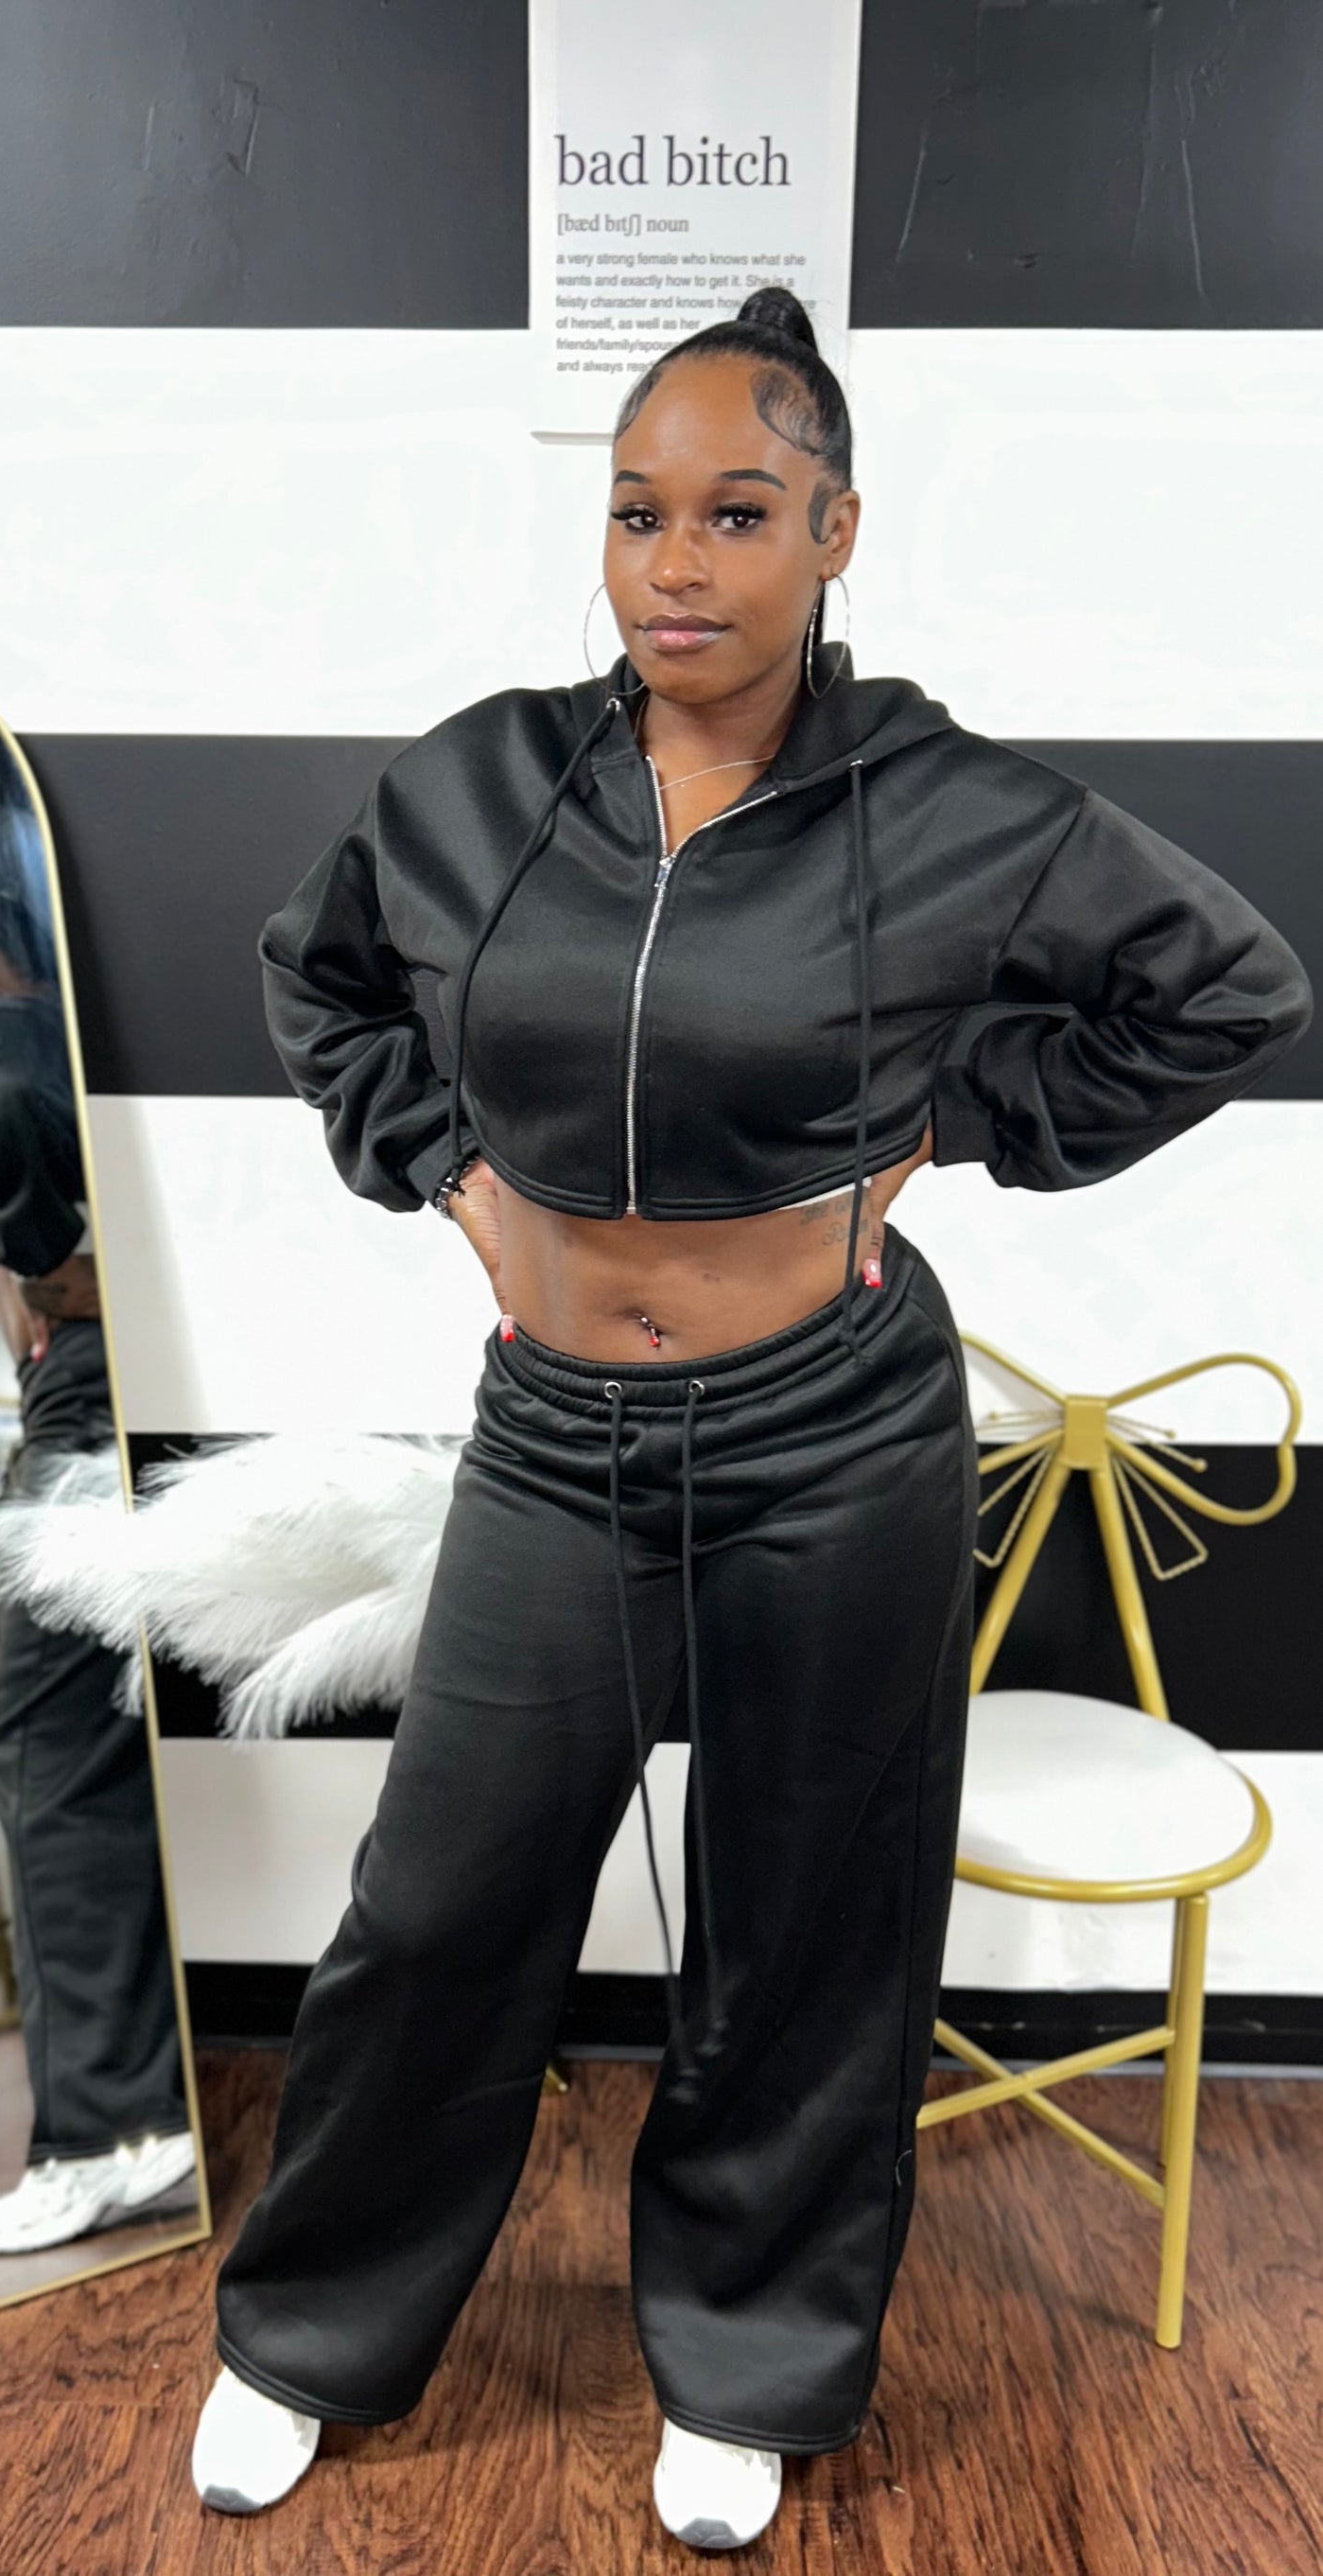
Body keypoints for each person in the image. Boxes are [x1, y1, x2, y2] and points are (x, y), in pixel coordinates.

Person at [187, 291, 1312, 2549]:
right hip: (552, 1445)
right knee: (441, 1904)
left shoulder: (947, 805)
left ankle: (748, 2359)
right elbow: (319, 972)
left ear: (833, 533)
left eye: (734, 514)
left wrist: (955, 1117)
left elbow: (1229, 986)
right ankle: (307, 2334)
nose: (676, 563)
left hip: (834, 1438)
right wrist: (454, 1177)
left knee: (807, 1918)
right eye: (637, 514)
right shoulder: (484, 784)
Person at [0, 893, 194, 2251]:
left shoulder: (0, 1027)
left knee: (41, 1749)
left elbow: (7, 1102)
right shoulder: (61, 1055)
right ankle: (131, 2106)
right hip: (106, 1399)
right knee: (88, 1748)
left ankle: (110, 2130)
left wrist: (34, 1260)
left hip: (83, 1413)